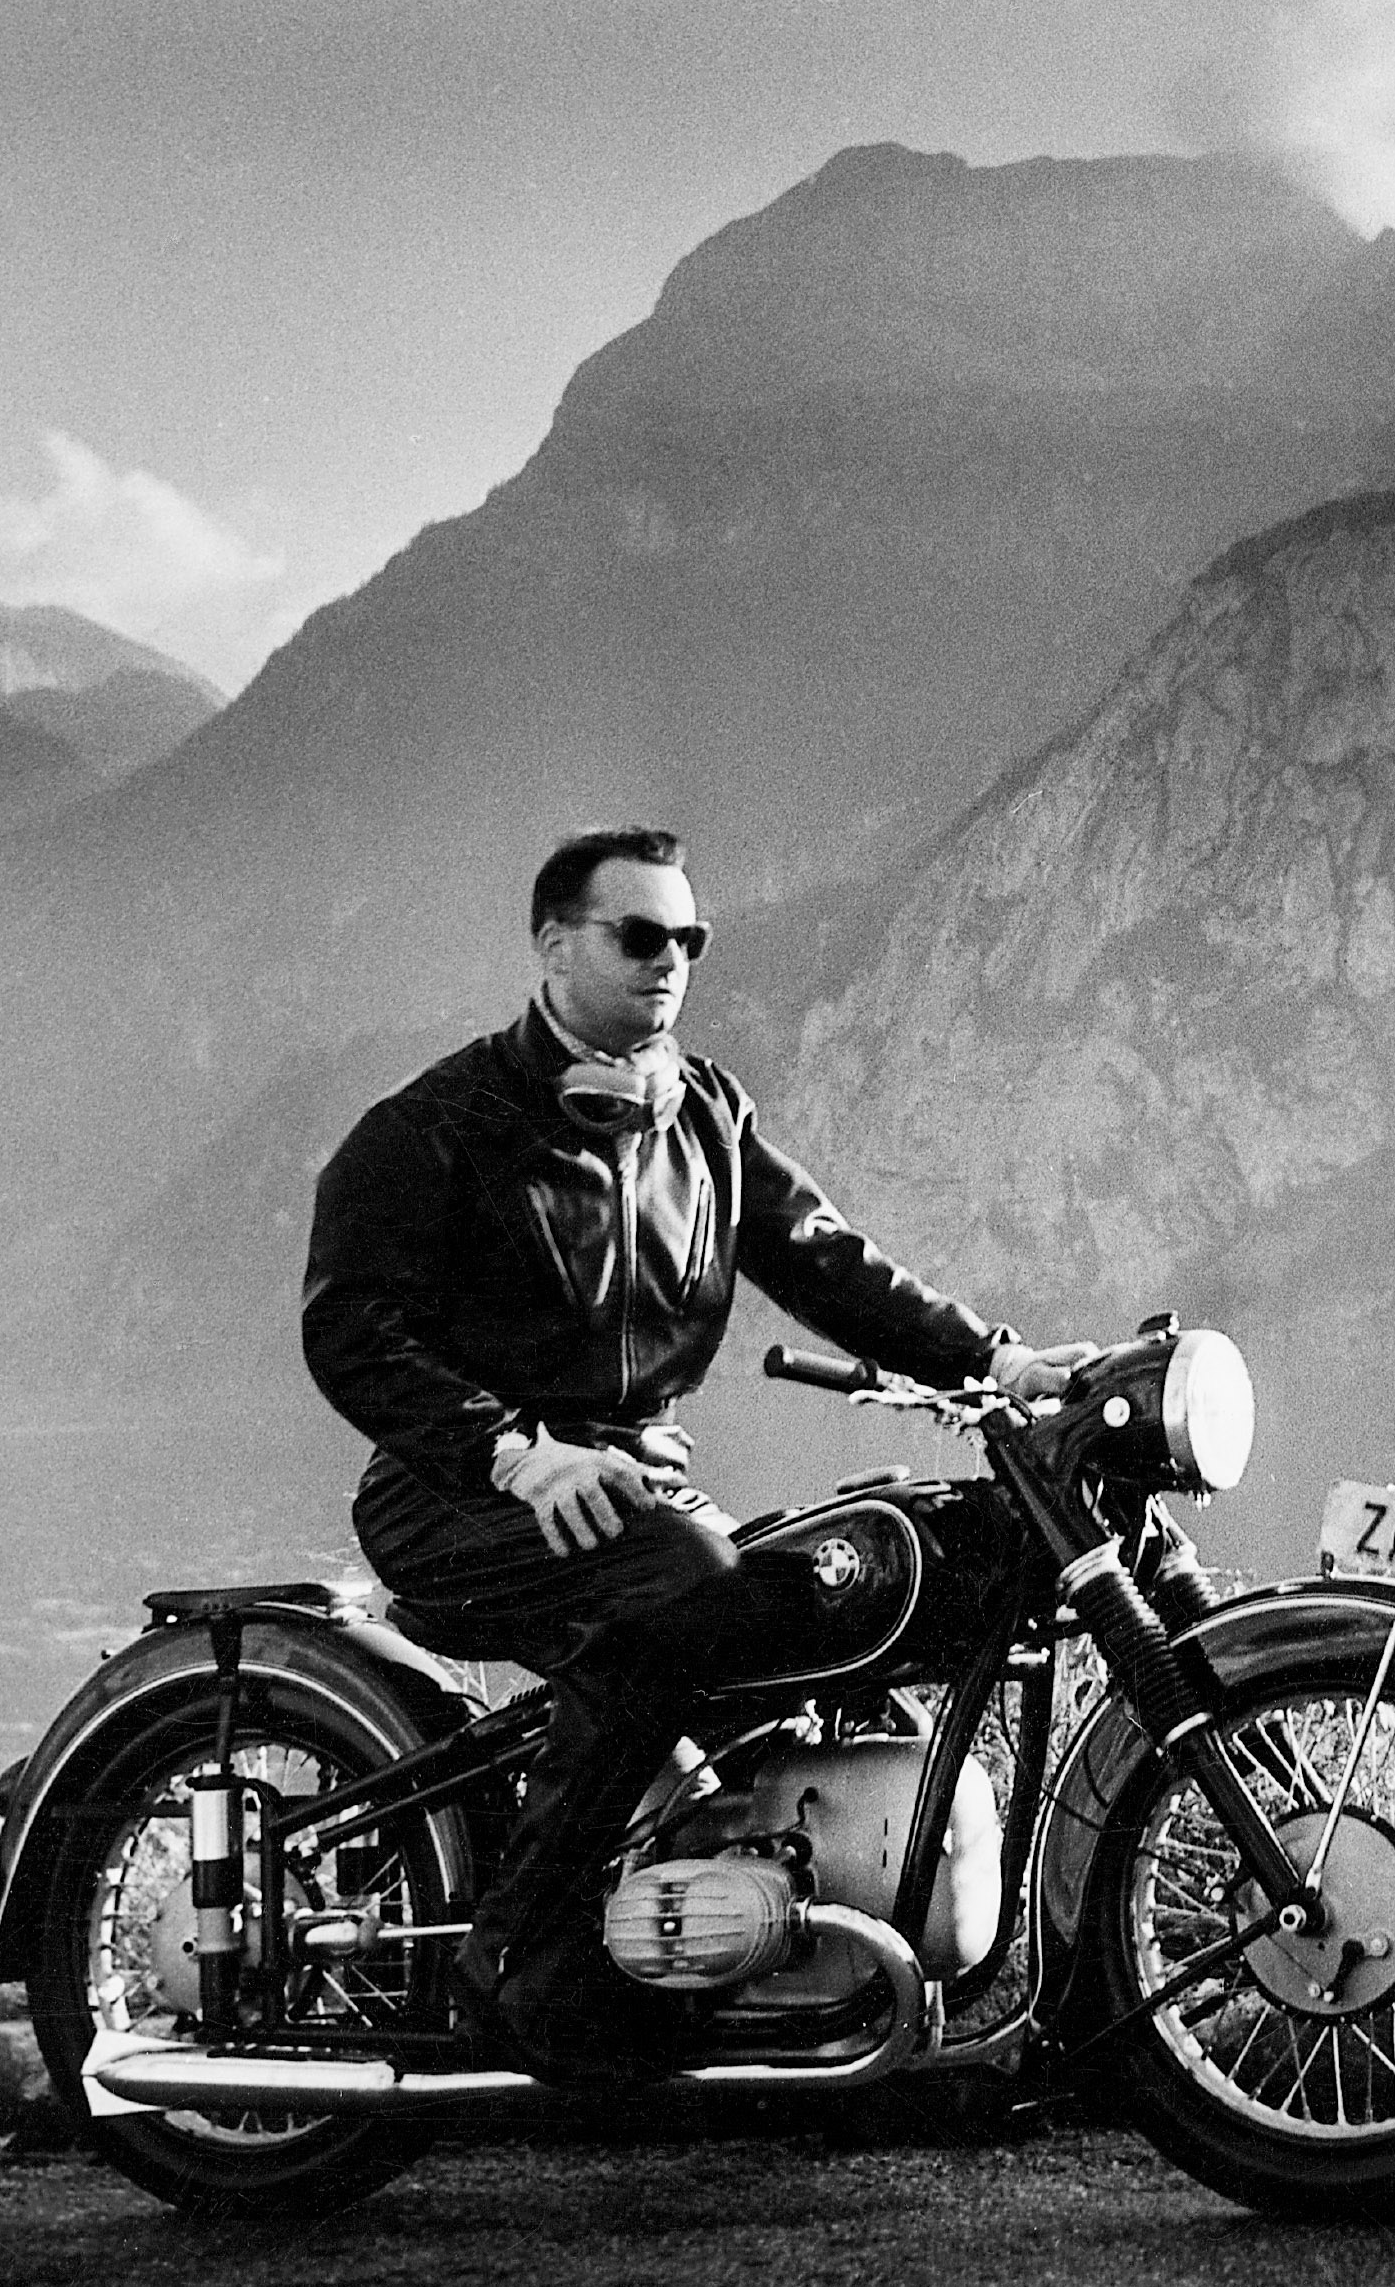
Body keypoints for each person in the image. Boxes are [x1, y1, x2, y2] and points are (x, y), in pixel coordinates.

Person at [301, 823, 1075, 2084]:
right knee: (683, 1586)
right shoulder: (438, 1126)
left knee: (813, 1600)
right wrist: (514, 1452)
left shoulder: (704, 1115)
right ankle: (518, 1964)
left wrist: (996, 1362)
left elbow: (828, 1263)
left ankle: (769, 1959)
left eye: (690, 938)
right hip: (458, 1491)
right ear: (554, 946)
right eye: (640, 934)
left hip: (638, 1483)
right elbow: (350, 1332)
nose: (671, 959)